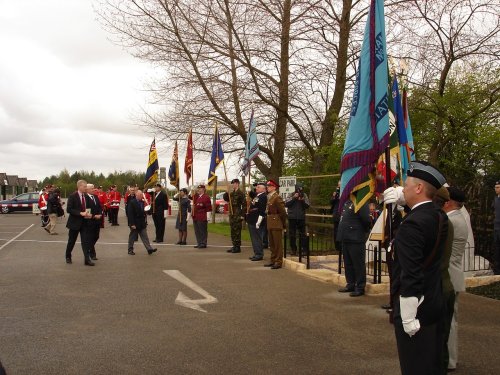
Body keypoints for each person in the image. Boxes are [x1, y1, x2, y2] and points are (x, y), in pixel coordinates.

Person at [383, 161, 449, 375]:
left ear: (419, 188)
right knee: (432, 364)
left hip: (416, 308)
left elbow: (411, 272)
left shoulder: (413, 224)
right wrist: (404, 205)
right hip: (433, 301)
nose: (403, 188)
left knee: (416, 366)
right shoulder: (438, 215)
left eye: (407, 184)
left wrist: (408, 316)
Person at [442, 186, 468, 372]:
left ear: (449, 202)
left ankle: (449, 360)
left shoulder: (451, 221)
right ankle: (449, 358)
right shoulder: (459, 217)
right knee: (450, 320)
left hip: (449, 275)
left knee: (448, 321)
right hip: (454, 274)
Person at [336, 196, 371, 297]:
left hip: (355, 237)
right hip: (346, 236)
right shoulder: (347, 202)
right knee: (348, 263)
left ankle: (360, 287)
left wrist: (361, 231)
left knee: (358, 264)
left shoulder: (361, 201)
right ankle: (350, 284)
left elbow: (366, 220)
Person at [65, 180, 94, 266]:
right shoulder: (72, 196)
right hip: (74, 223)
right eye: (84, 186)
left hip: (85, 223)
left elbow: (89, 207)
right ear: (79, 187)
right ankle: (68, 256)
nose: (86, 188)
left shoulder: (86, 196)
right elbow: (69, 209)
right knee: (71, 241)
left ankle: (87, 259)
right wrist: (80, 213)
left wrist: (90, 214)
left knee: (85, 242)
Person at [127, 189, 157, 256]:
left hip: (142, 222)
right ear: (136, 195)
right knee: (132, 237)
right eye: (140, 195)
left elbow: (146, 212)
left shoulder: (143, 202)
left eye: (141, 194)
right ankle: (130, 250)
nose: (141, 196)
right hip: (135, 222)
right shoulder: (132, 202)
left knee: (145, 236)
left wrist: (149, 208)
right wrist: (132, 224)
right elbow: (130, 214)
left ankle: (149, 249)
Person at [264, 180, 287, 269]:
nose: (267, 187)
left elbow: (282, 212)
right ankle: (273, 260)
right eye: (267, 186)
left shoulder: (277, 197)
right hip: (270, 221)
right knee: (272, 243)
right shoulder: (270, 197)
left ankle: (278, 261)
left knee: (277, 244)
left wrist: (282, 223)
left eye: (269, 186)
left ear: (274, 187)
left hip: (276, 222)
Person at [285, 183, 310, 255]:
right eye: (299, 188)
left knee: (303, 234)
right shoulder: (290, 194)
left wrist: (302, 200)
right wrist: (294, 198)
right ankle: (293, 249)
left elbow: (307, 206)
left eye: (301, 188)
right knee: (292, 234)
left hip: (301, 217)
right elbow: (286, 204)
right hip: (292, 217)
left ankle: (304, 249)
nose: (300, 190)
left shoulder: (304, 195)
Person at [224, 178, 246, 253]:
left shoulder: (240, 193)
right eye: (232, 183)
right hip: (232, 214)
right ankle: (234, 245)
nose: (233, 185)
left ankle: (237, 247)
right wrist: (227, 192)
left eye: (234, 183)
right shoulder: (232, 193)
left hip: (237, 213)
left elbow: (244, 205)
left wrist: (243, 215)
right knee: (233, 230)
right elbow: (226, 199)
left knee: (237, 231)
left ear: (237, 184)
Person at [247, 182, 267, 261]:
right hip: (252, 220)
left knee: (257, 238)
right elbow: (253, 196)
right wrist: (249, 191)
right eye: (257, 187)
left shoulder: (263, 197)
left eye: (258, 187)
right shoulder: (257, 196)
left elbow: (262, 210)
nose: (256, 188)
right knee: (254, 238)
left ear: (263, 189)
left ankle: (259, 254)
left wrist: (259, 222)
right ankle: (256, 253)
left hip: (257, 221)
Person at [83, 184, 103, 261]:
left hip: (97, 221)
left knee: (96, 236)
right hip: (89, 221)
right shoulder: (85, 198)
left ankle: (88, 249)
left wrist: (100, 213)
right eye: (91, 188)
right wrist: (94, 216)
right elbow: (87, 210)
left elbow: (99, 207)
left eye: (93, 188)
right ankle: (92, 254)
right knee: (90, 237)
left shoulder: (95, 197)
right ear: (87, 189)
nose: (93, 189)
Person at [192, 184, 212, 248]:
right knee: (197, 231)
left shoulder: (206, 197)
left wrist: (208, 217)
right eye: (198, 189)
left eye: (200, 189)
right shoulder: (196, 196)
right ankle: (199, 242)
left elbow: (208, 208)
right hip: (195, 216)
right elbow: (190, 196)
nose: (198, 190)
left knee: (202, 230)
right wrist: (192, 190)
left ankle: (203, 243)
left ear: (203, 189)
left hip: (202, 216)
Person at [330, 183, 342, 253]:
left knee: (342, 230)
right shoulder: (335, 193)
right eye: (338, 185)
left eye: (340, 185)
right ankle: (337, 247)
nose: (339, 186)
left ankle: (342, 247)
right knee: (336, 231)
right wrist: (334, 197)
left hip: (343, 214)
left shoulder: (345, 192)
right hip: (336, 214)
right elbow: (331, 202)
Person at [493, 180, 500, 275]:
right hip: (496, 228)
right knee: (497, 249)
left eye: (498, 187)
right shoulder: (495, 199)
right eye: (495, 187)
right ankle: (497, 271)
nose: (496, 189)